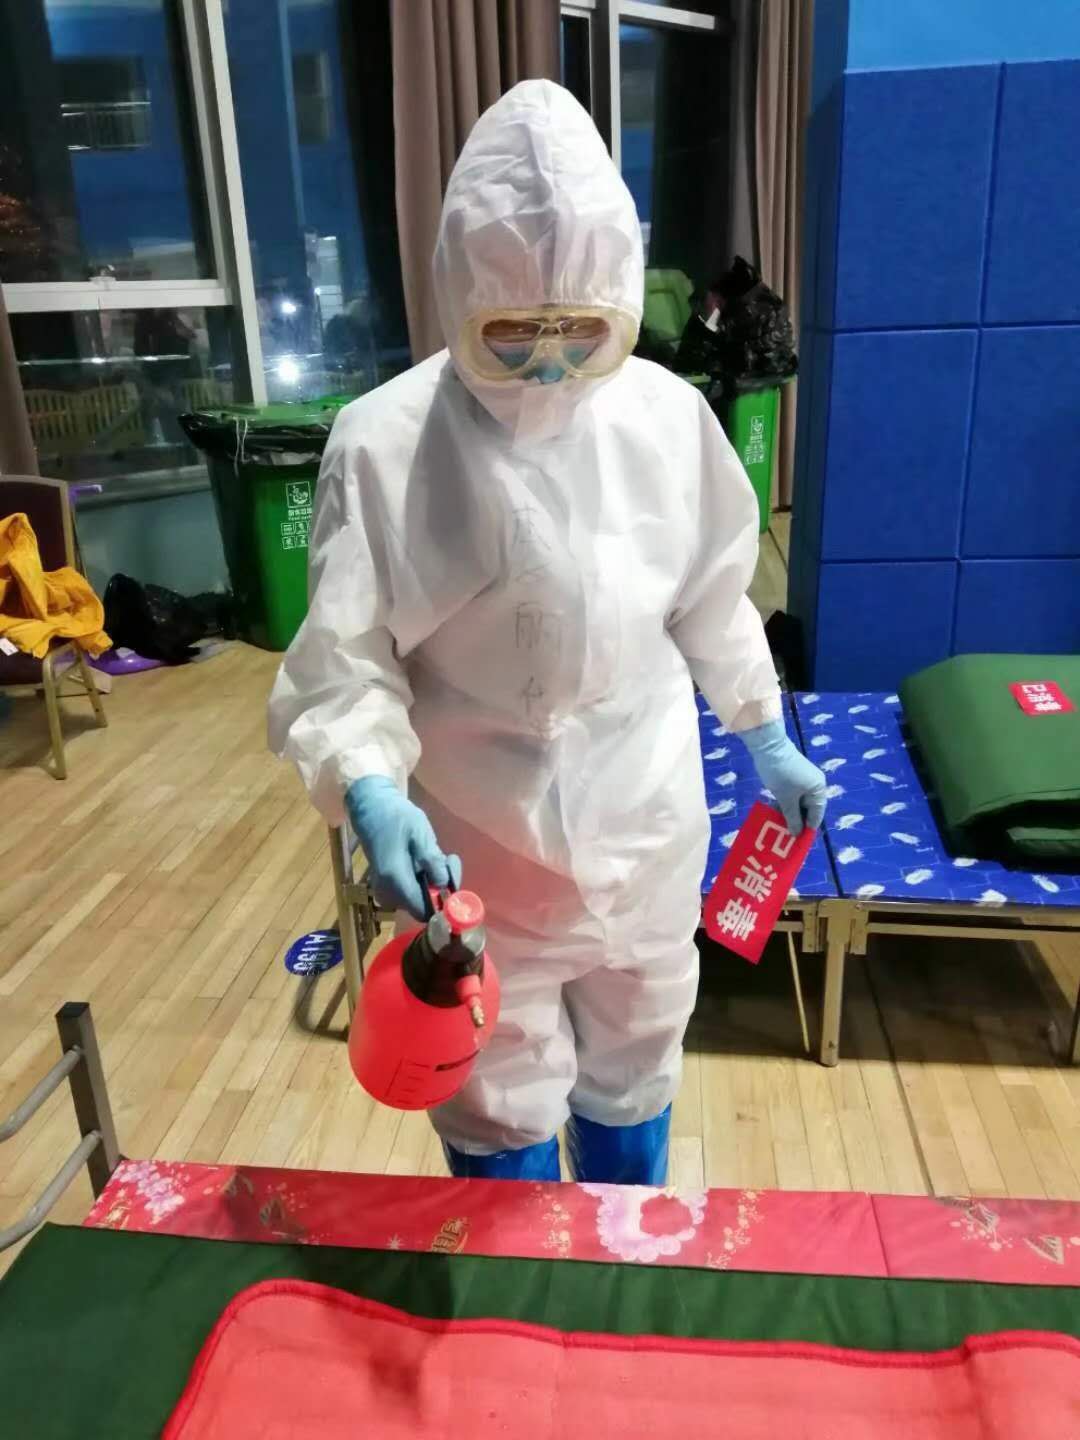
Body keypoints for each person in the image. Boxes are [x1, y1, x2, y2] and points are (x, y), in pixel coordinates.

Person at [268, 81, 826, 1185]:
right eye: (514, 331)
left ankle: (620, 1252)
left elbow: (713, 599)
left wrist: (765, 732)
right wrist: (369, 784)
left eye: (580, 329)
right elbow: (347, 659)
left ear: (620, 301)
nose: (550, 364)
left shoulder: (668, 420)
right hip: (477, 856)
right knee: (497, 1096)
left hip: (645, 824)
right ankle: (517, 1275)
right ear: (459, 299)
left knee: (638, 1062)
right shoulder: (383, 444)